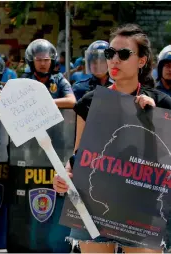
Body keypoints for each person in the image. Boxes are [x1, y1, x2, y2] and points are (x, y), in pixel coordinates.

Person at [53, 24, 171, 253]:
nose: (114, 60)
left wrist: (154, 119)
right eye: (110, 54)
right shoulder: (89, 102)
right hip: (95, 202)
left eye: (124, 54)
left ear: (142, 61)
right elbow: (79, 156)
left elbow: (165, 162)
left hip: (142, 207)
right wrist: (65, 175)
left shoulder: (162, 104)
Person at [22, 39, 76, 108]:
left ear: (52, 61)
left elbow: (72, 101)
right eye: (38, 60)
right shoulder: (24, 80)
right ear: (32, 62)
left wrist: (43, 103)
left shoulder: (58, 79)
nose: (43, 63)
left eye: (46, 60)